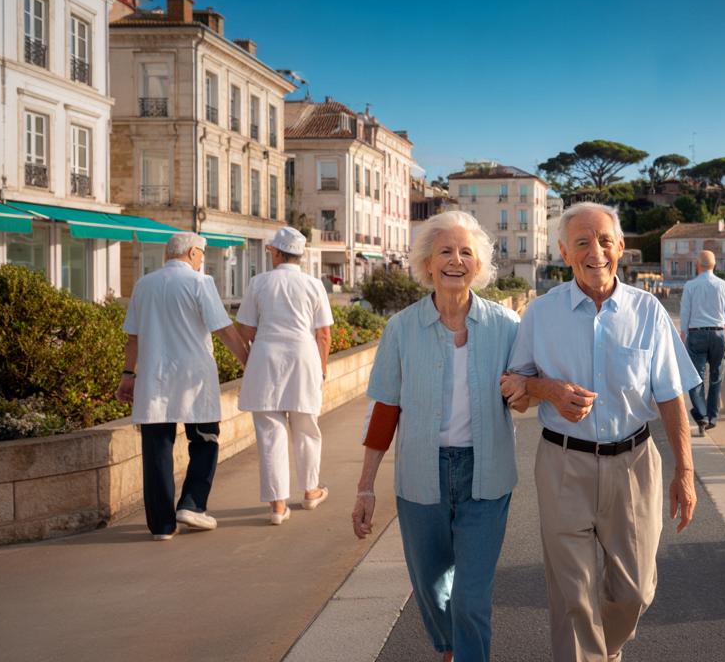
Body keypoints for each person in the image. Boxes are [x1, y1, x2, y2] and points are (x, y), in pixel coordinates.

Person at [499, 201, 700, 662]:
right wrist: (545, 388)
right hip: (562, 464)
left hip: (634, 465)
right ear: (564, 251)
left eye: (605, 240)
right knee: (573, 596)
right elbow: (514, 387)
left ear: (622, 248)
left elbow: (671, 395)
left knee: (635, 591)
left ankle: (601, 654)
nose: (596, 252)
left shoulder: (648, 311)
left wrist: (684, 471)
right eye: (583, 243)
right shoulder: (539, 313)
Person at [353, 210, 521, 662]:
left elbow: (523, 397)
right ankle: (449, 647)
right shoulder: (401, 329)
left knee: (470, 596)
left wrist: (526, 391)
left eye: (466, 252)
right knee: (430, 587)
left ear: (480, 266)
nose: (455, 260)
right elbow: (386, 409)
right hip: (421, 476)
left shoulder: (507, 327)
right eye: (444, 250)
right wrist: (366, 486)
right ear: (426, 263)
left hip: (486, 477)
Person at [116, 232, 249, 540]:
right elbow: (224, 330)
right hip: (194, 377)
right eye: (201, 255)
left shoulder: (143, 285)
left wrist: (127, 375)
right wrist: (248, 362)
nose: (202, 260)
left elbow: (133, 337)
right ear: (192, 253)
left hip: (154, 377)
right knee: (205, 440)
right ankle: (192, 504)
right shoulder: (200, 283)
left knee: (157, 450)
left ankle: (162, 526)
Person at [235, 227, 334, 525]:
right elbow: (324, 334)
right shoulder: (314, 285)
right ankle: (310, 491)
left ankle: (278, 506)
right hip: (304, 359)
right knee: (306, 428)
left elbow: (245, 329)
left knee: (270, 433)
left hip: (266, 358)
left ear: (277, 252)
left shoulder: (259, 283)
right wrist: (322, 368)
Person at [678, 250, 725, 433]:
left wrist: (683, 338)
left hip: (696, 334)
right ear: (714, 265)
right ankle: (712, 417)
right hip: (719, 334)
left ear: (698, 265)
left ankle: (702, 416)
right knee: (715, 378)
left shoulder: (690, 285)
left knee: (696, 378)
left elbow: (685, 314)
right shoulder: (723, 285)